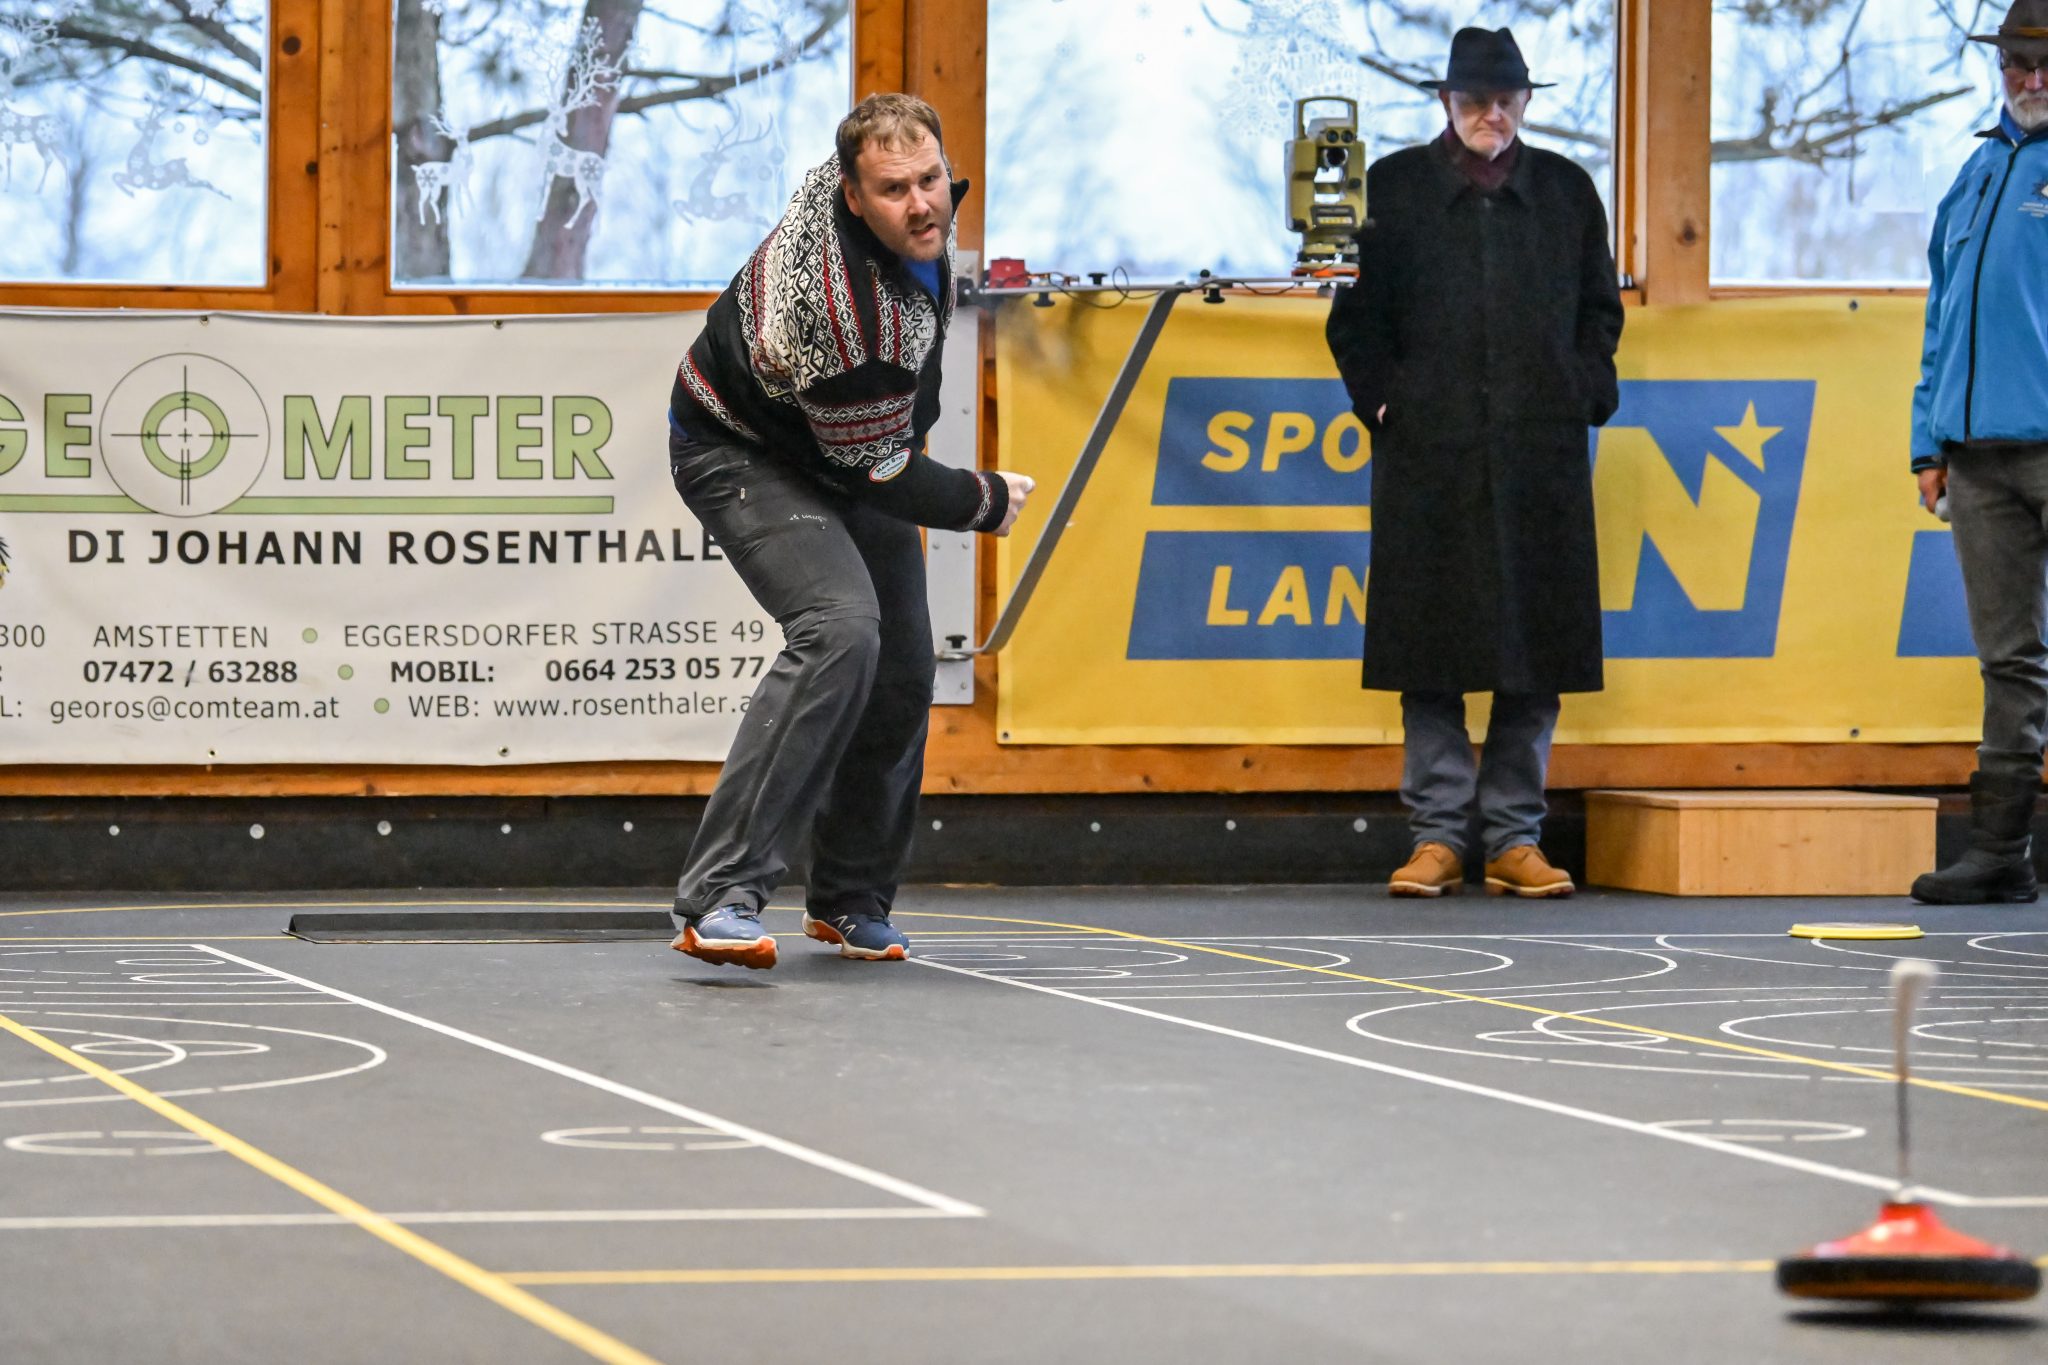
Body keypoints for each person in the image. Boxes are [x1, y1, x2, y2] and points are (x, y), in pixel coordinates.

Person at [666, 94, 1033, 967]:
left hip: (842, 441)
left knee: (904, 667)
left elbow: (876, 450)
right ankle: (720, 896)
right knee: (840, 629)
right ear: (853, 196)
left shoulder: (892, 211)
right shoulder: (842, 312)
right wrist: (983, 499)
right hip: (740, 448)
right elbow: (884, 472)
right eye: (894, 189)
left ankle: (849, 899)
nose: (923, 204)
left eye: (931, 179)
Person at [1325, 26, 1624, 899]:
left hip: (1542, 447)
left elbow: (1600, 314)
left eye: (1506, 100)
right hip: (1429, 450)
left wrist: (1584, 391)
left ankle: (1514, 838)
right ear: (1445, 103)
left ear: (1527, 102)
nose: (1491, 115)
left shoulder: (1569, 191)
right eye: (1473, 101)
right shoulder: (1390, 189)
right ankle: (1438, 836)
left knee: (1536, 648)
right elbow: (1353, 322)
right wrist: (1384, 402)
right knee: (1431, 649)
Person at [1909, 1, 2048, 905]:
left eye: (2045, 65)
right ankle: (2000, 851)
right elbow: (1940, 318)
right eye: (2016, 66)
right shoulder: (1973, 174)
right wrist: (1928, 442)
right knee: (2009, 658)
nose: (2031, 81)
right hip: (1977, 456)